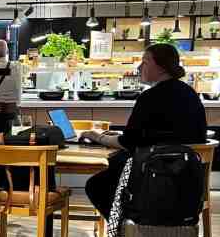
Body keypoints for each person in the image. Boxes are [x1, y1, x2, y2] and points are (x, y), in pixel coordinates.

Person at [83, 43, 207, 218]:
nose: (139, 67)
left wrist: (98, 137)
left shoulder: (150, 97)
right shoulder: (189, 93)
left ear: (161, 66)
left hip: (153, 176)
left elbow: (129, 142)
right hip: (187, 181)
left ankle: (127, 229)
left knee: (97, 186)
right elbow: (160, 135)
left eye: (145, 62)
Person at [0, 39, 22, 132]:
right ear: (7, 51)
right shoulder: (17, 67)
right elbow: (18, 87)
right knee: (9, 136)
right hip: (11, 109)